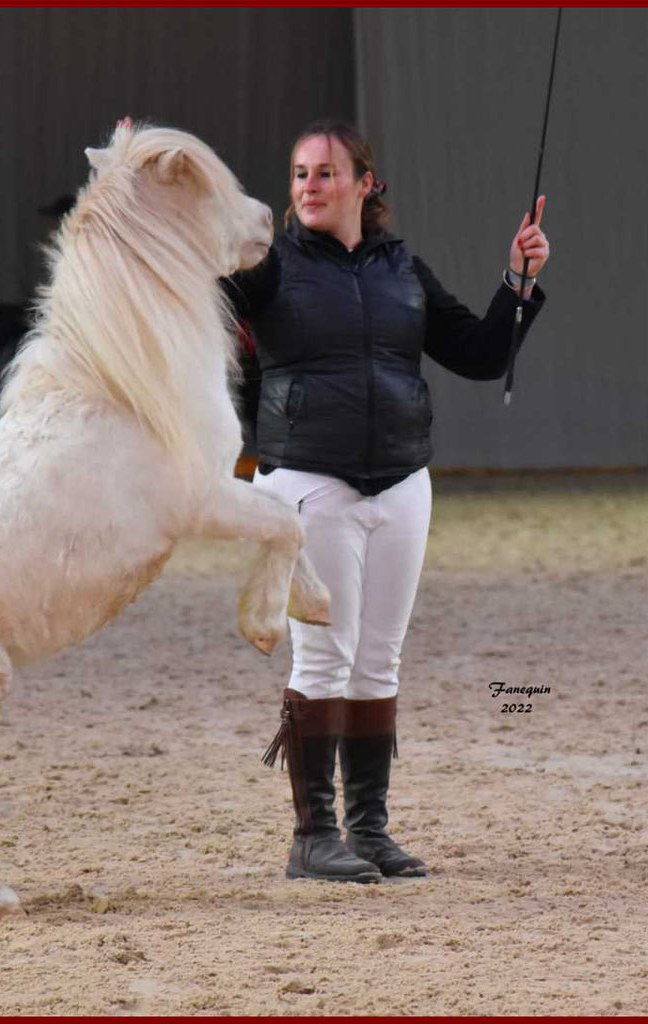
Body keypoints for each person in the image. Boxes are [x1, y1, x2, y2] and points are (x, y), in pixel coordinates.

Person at [224, 121, 549, 884]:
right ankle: (314, 838)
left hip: (404, 481)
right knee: (326, 655)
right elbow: (187, 301)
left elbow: (480, 353)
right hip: (308, 481)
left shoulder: (402, 268)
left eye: (326, 173)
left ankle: (369, 831)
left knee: (379, 660)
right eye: (300, 173)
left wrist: (518, 283)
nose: (309, 186)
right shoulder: (265, 268)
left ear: (364, 185)